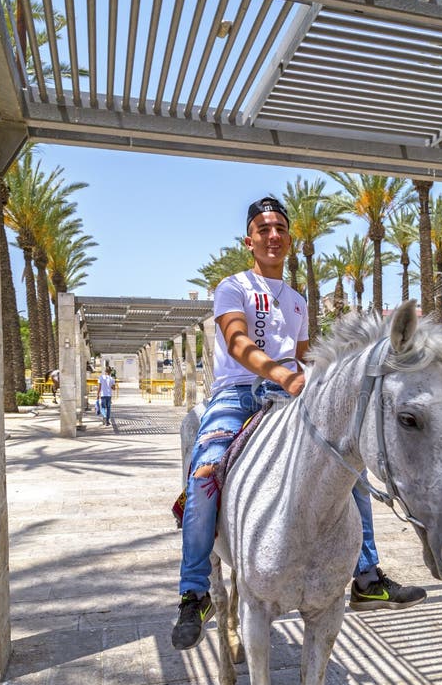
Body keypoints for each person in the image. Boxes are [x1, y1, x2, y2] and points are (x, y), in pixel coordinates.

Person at [172, 197, 426, 650]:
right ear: (249, 240)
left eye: (280, 230)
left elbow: (306, 354)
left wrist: (314, 379)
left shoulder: (296, 300)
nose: (273, 236)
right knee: (205, 472)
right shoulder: (233, 287)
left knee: (350, 465)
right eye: (263, 229)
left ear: (289, 241)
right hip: (238, 395)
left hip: (290, 395)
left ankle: (366, 574)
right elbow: (236, 343)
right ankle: (195, 592)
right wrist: (283, 374)